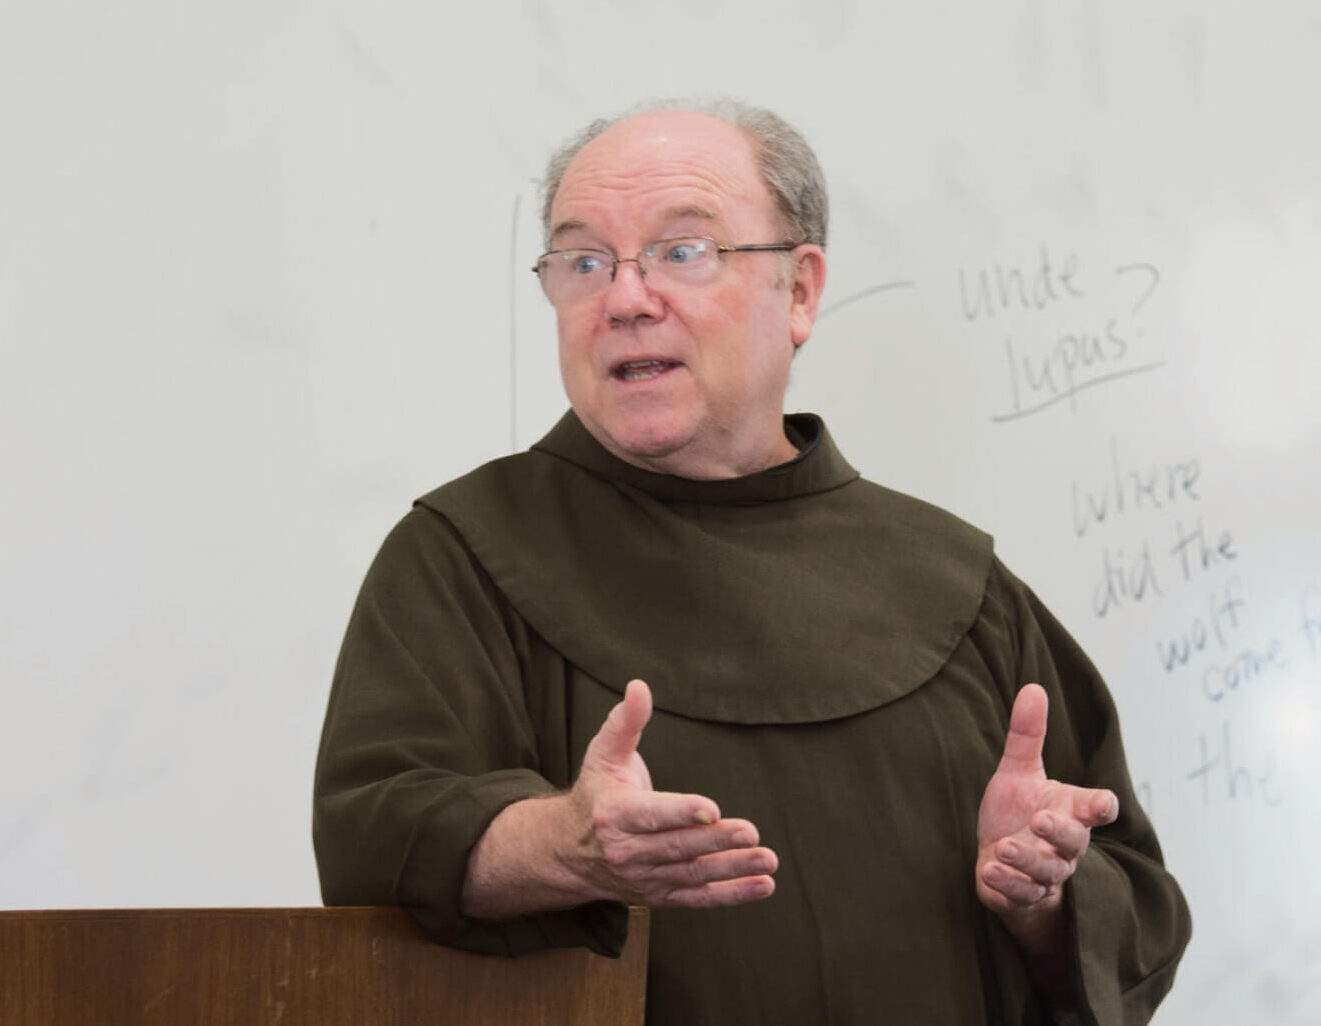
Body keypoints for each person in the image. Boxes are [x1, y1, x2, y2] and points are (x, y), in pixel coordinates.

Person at [313, 99, 1191, 1025]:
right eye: (582, 262)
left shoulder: (956, 583)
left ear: (801, 290)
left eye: (682, 251)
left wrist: (1042, 898)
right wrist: (565, 844)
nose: (624, 298)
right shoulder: (466, 552)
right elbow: (373, 835)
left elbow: (1133, 916)